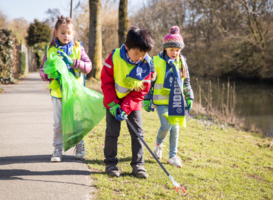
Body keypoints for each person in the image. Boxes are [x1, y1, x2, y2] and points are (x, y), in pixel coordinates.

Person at [101, 25, 154, 178]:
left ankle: (138, 165)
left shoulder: (146, 64)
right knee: (112, 133)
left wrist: (125, 107)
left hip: (132, 102)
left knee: (138, 133)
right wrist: (113, 105)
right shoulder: (114, 57)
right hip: (113, 101)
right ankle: (110, 164)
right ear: (127, 47)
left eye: (143, 54)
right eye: (136, 53)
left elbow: (142, 91)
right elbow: (106, 83)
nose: (139, 57)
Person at [39, 16, 92, 162]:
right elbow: (42, 69)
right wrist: (48, 75)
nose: (66, 36)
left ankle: (79, 144)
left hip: (75, 93)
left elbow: (88, 67)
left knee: (77, 121)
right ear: (56, 33)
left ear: (73, 33)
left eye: (69, 32)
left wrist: (74, 62)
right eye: (62, 32)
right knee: (58, 123)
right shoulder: (50, 50)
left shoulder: (78, 48)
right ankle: (57, 149)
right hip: (58, 93)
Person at [144, 26, 194, 168]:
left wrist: (189, 96)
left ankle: (172, 156)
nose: (174, 53)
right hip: (161, 100)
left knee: (175, 128)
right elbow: (150, 82)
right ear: (165, 48)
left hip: (177, 100)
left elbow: (187, 81)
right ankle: (158, 144)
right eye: (171, 49)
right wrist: (147, 99)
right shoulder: (155, 61)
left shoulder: (182, 61)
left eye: (177, 50)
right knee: (166, 125)